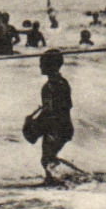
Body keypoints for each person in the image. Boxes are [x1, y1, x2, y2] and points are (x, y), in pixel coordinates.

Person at [30, 49, 82, 185]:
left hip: (58, 127)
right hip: (58, 126)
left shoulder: (54, 86)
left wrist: (37, 123)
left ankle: (62, 180)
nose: (40, 66)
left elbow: (56, 110)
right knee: (47, 158)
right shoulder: (56, 84)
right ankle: (59, 178)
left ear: (50, 66)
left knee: (47, 159)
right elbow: (54, 108)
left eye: (42, 63)